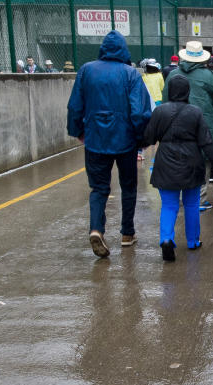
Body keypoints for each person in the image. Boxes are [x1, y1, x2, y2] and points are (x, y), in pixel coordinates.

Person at [67, 30, 153, 257]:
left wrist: (77, 131)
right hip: (125, 140)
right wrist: (141, 139)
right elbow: (139, 111)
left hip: (95, 139)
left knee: (98, 188)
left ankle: (96, 229)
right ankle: (127, 233)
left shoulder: (86, 70)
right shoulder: (130, 74)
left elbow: (75, 105)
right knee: (129, 187)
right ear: (124, 50)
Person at [141, 74, 213, 262]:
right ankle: (193, 241)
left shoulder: (160, 111)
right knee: (192, 204)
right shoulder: (195, 112)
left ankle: (166, 239)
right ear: (187, 91)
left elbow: (148, 138)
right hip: (191, 162)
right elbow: (207, 143)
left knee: (169, 205)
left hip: (166, 161)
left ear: (170, 91)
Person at [162, 41, 213, 208]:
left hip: (177, 127)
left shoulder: (172, 76)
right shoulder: (212, 77)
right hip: (205, 126)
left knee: (180, 161)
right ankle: (199, 199)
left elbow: (165, 101)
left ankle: (180, 197)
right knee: (203, 162)